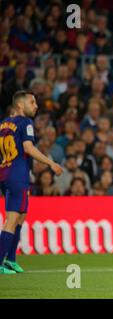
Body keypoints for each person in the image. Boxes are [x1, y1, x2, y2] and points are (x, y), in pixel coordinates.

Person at [0, 91, 63, 274]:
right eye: (32, 102)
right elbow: (28, 147)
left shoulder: (3, 124)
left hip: (5, 172)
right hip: (17, 175)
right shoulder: (26, 122)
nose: (36, 105)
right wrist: (51, 163)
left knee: (21, 215)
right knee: (11, 219)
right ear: (20, 105)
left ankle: (11, 259)